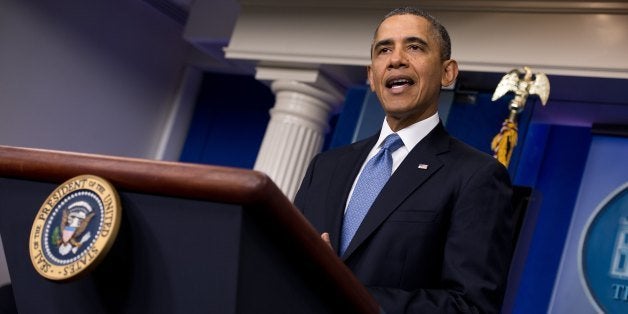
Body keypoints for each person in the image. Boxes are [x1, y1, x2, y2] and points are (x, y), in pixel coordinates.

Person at [294, 7, 515, 314]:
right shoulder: (325, 166)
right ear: (371, 76)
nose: (396, 59)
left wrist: (351, 293)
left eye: (414, 47)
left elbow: (470, 306)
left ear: (447, 72)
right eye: (384, 49)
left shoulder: (477, 176)